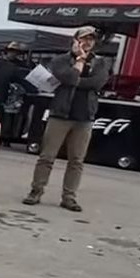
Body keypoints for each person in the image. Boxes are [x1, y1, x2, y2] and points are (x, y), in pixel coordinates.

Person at [26, 26, 110, 212]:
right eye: (84, 38)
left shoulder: (101, 63)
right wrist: (79, 62)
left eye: (91, 39)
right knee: (47, 156)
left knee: (77, 160)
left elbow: (97, 82)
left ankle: (69, 196)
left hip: (84, 116)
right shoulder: (61, 60)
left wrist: (77, 80)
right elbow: (68, 77)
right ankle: (36, 191)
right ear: (75, 40)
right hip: (60, 113)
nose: (87, 42)